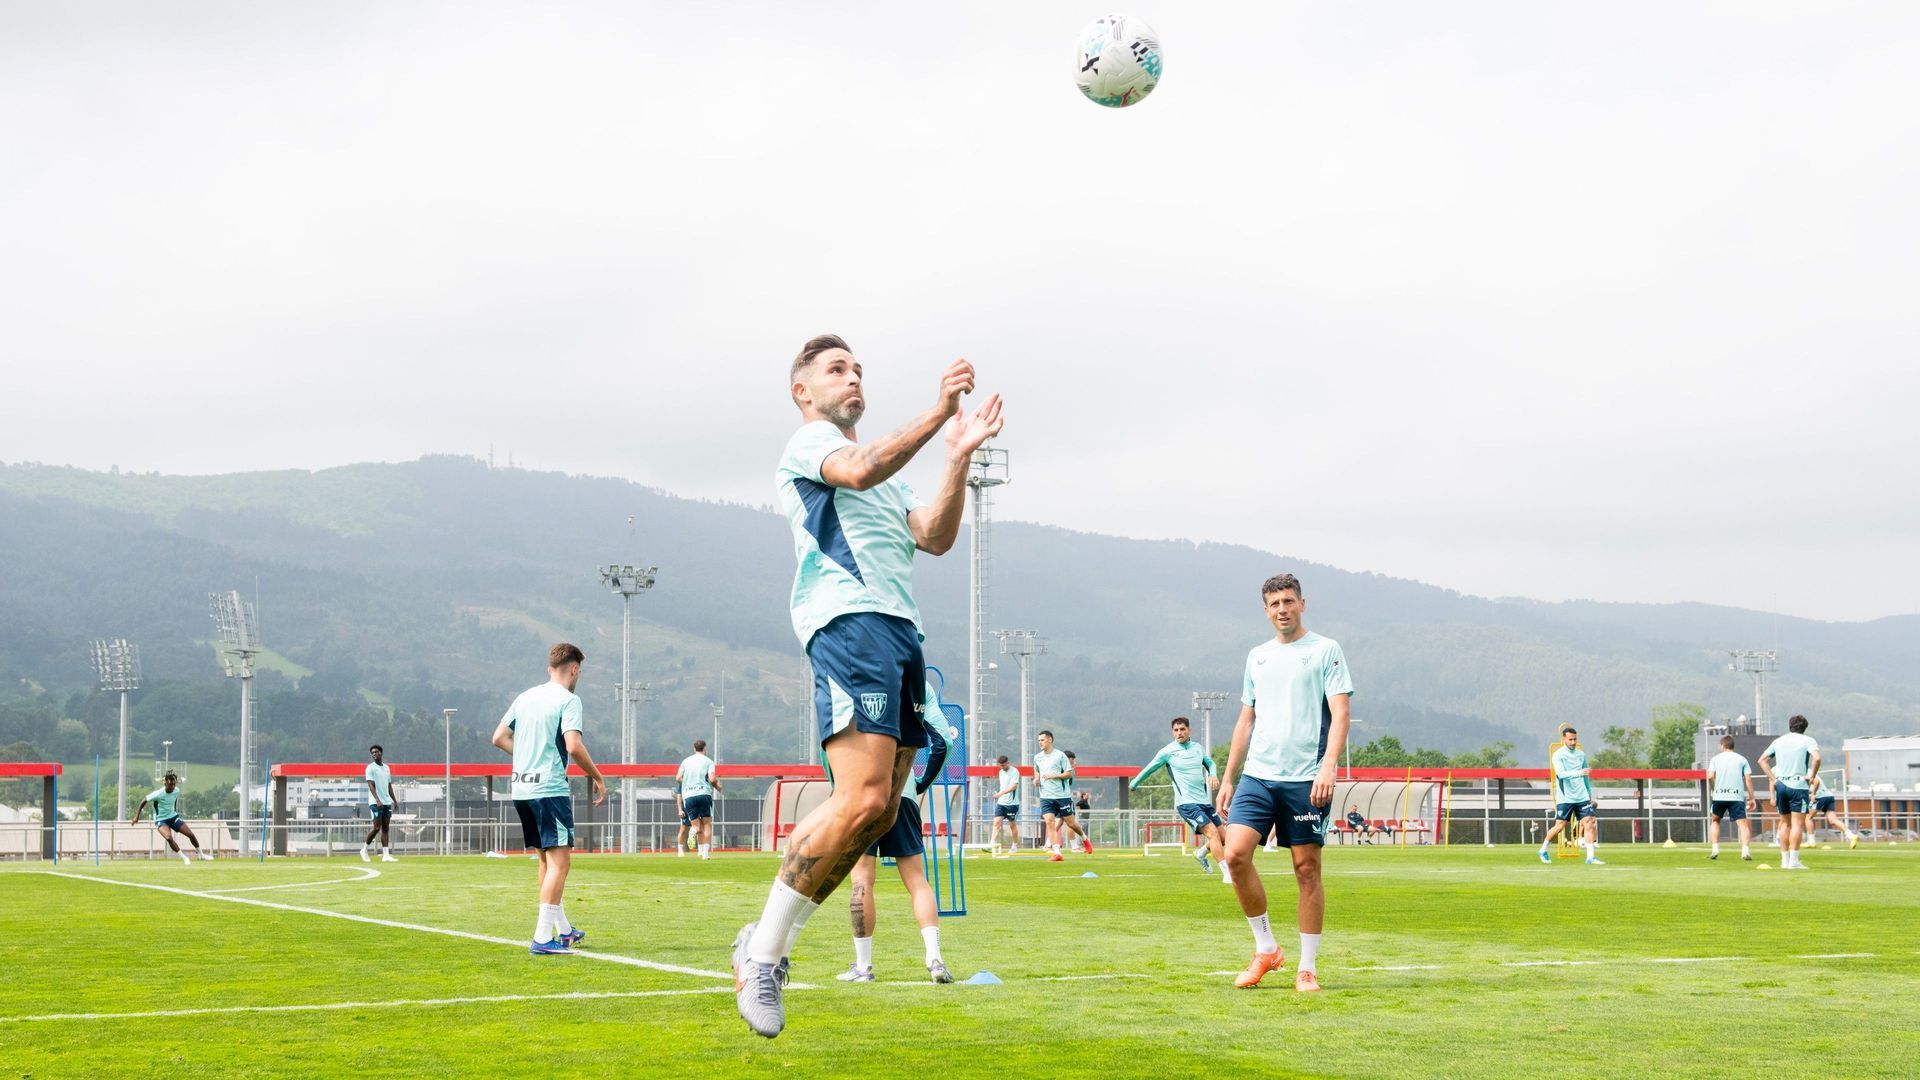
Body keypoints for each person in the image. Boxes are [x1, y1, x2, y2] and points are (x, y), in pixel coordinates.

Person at [734, 334, 1003, 1038]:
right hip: (849, 624)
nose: (852, 377)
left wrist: (958, 457)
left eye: (857, 369)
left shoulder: (892, 471)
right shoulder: (813, 447)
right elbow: (856, 470)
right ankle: (763, 956)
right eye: (836, 369)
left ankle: (765, 940)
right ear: (804, 391)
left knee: (881, 812)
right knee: (860, 797)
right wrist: (940, 411)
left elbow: (935, 536)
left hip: (900, 632)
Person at [1215, 573, 1353, 993]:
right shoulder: (1256, 656)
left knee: (1306, 869)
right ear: (1266, 610)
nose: (1282, 609)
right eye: (1274, 604)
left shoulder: (1326, 650)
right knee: (1235, 855)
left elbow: (1341, 713)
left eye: (1288, 601)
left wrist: (1329, 764)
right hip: (1259, 775)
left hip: (1306, 778)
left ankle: (1307, 967)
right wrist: (1228, 777)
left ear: (1302, 604)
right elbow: (1245, 719)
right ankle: (1266, 949)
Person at [492, 642, 608, 955]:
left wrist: (527, 756)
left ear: (549, 669)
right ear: (574, 669)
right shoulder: (569, 700)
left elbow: (499, 737)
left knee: (546, 860)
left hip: (522, 789)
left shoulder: (525, 696)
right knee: (561, 863)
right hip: (549, 790)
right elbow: (573, 746)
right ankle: (543, 938)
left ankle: (564, 931)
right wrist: (597, 776)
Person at [838, 711, 955, 984]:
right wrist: (919, 782)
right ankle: (935, 959)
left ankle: (863, 967)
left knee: (862, 880)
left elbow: (834, 740)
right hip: (904, 791)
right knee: (917, 880)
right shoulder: (918, 681)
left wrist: (840, 788)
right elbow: (943, 742)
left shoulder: (857, 674)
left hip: (862, 793)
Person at [1131, 716, 1228, 881]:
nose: (1179, 733)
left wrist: (1212, 774)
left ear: (1189, 730)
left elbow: (1210, 763)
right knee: (1212, 833)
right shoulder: (1167, 752)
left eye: (1182, 729)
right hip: (1186, 803)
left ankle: (1201, 853)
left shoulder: (1197, 748)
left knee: (1224, 837)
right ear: (1172, 733)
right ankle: (1228, 874)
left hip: (1203, 801)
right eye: (1176, 730)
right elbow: (1150, 768)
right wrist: (1134, 782)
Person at [1759, 715, 1821, 870]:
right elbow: (1817, 758)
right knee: (1797, 824)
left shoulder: (1778, 741)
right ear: (1804, 728)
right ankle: (1794, 861)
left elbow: (1761, 760)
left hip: (1781, 785)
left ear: (1790, 726)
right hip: (1798, 785)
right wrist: (1811, 776)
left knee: (1784, 823)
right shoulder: (1808, 740)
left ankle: (1784, 861)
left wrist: (1773, 779)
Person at [1539, 726, 1603, 866]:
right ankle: (1543, 849)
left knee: (1589, 822)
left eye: (1575, 739)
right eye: (1570, 739)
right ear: (1563, 739)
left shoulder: (1581, 755)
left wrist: (1588, 792)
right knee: (1560, 826)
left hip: (1582, 797)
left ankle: (1590, 857)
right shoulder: (1558, 755)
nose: (1573, 742)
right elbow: (1561, 774)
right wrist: (1579, 773)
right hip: (1566, 797)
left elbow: (1585, 776)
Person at [131, 771, 210, 864]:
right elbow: (144, 800)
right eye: (170, 784)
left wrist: (174, 812)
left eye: (174, 784)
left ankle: (201, 855)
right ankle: (184, 858)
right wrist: (137, 816)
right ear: (165, 783)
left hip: (173, 817)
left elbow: (174, 800)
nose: (172, 786)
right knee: (169, 838)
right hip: (161, 819)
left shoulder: (176, 791)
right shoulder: (158, 793)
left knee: (190, 834)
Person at [1705, 735, 1756, 861]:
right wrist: (1752, 797)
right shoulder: (1742, 759)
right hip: (1736, 796)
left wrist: (1714, 789)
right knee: (1743, 825)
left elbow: (1710, 776)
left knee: (1715, 821)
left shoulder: (1715, 759)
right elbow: (1748, 779)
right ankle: (1745, 852)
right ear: (1733, 746)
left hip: (1719, 795)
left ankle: (1715, 849)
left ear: (1722, 745)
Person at [1033, 731, 1074, 862]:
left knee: (1070, 823)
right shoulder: (1037, 757)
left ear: (1050, 740)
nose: (1040, 742)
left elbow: (1068, 774)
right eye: (1039, 740)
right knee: (1049, 821)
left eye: (1042, 740)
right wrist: (1036, 780)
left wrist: (1054, 775)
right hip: (1045, 796)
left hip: (1062, 796)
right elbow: (1036, 772)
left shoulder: (1060, 755)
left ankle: (1084, 839)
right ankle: (1057, 852)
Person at [677, 739, 721, 860]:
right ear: (705, 748)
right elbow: (712, 779)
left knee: (696, 825)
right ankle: (705, 854)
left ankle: (693, 830)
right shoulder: (709, 762)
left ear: (694, 748)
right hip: (703, 793)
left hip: (689, 795)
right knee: (707, 824)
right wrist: (718, 787)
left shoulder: (685, 761)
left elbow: (678, 777)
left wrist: (687, 784)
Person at [361, 744, 398, 863]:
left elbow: (389, 786)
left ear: (381, 753)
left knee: (386, 828)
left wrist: (395, 801)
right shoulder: (370, 768)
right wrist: (377, 800)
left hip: (386, 802)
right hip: (375, 802)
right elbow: (370, 785)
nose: (374, 754)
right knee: (377, 827)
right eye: (372, 753)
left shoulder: (386, 768)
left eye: (376, 752)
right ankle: (364, 849)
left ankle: (386, 855)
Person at [1806, 772, 1859, 849]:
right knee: (1833, 820)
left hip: (1820, 796)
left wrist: (1813, 794)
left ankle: (1811, 842)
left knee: (1808, 817)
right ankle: (1851, 836)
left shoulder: (1805, 771)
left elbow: (1816, 781)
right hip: (1829, 795)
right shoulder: (1808, 771)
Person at [1060, 750, 1093, 854]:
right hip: (1063, 798)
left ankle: (1048, 845)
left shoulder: (1063, 768)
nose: (1074, 761)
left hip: (1056, 797)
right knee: (1070, 822)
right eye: (1072, 759)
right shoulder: (1066, 769)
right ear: (1068, 758)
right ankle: (1075, 846)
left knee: (1058, 821)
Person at [991, 755, 1021, 854]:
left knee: (1012, 825)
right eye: (1000, 766)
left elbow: (1013, 787)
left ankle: (1015, 845)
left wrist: (1000, 793)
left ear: (1008, 763)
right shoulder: (1000, 772)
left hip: (1012, 804)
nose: (1002, 767)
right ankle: (992, 843)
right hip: (1001, 803)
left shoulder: (1014, 771)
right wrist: (1000, 795)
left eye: (1003, 765)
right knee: (996, 823)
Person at [673, 780, 692, 856]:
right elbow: (679, 796)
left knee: (699, 828)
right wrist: (680, 810)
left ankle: (701, 850)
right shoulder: (683, 783)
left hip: (696, 808)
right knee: (683, 829)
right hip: (685, 809)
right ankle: (680, 850)